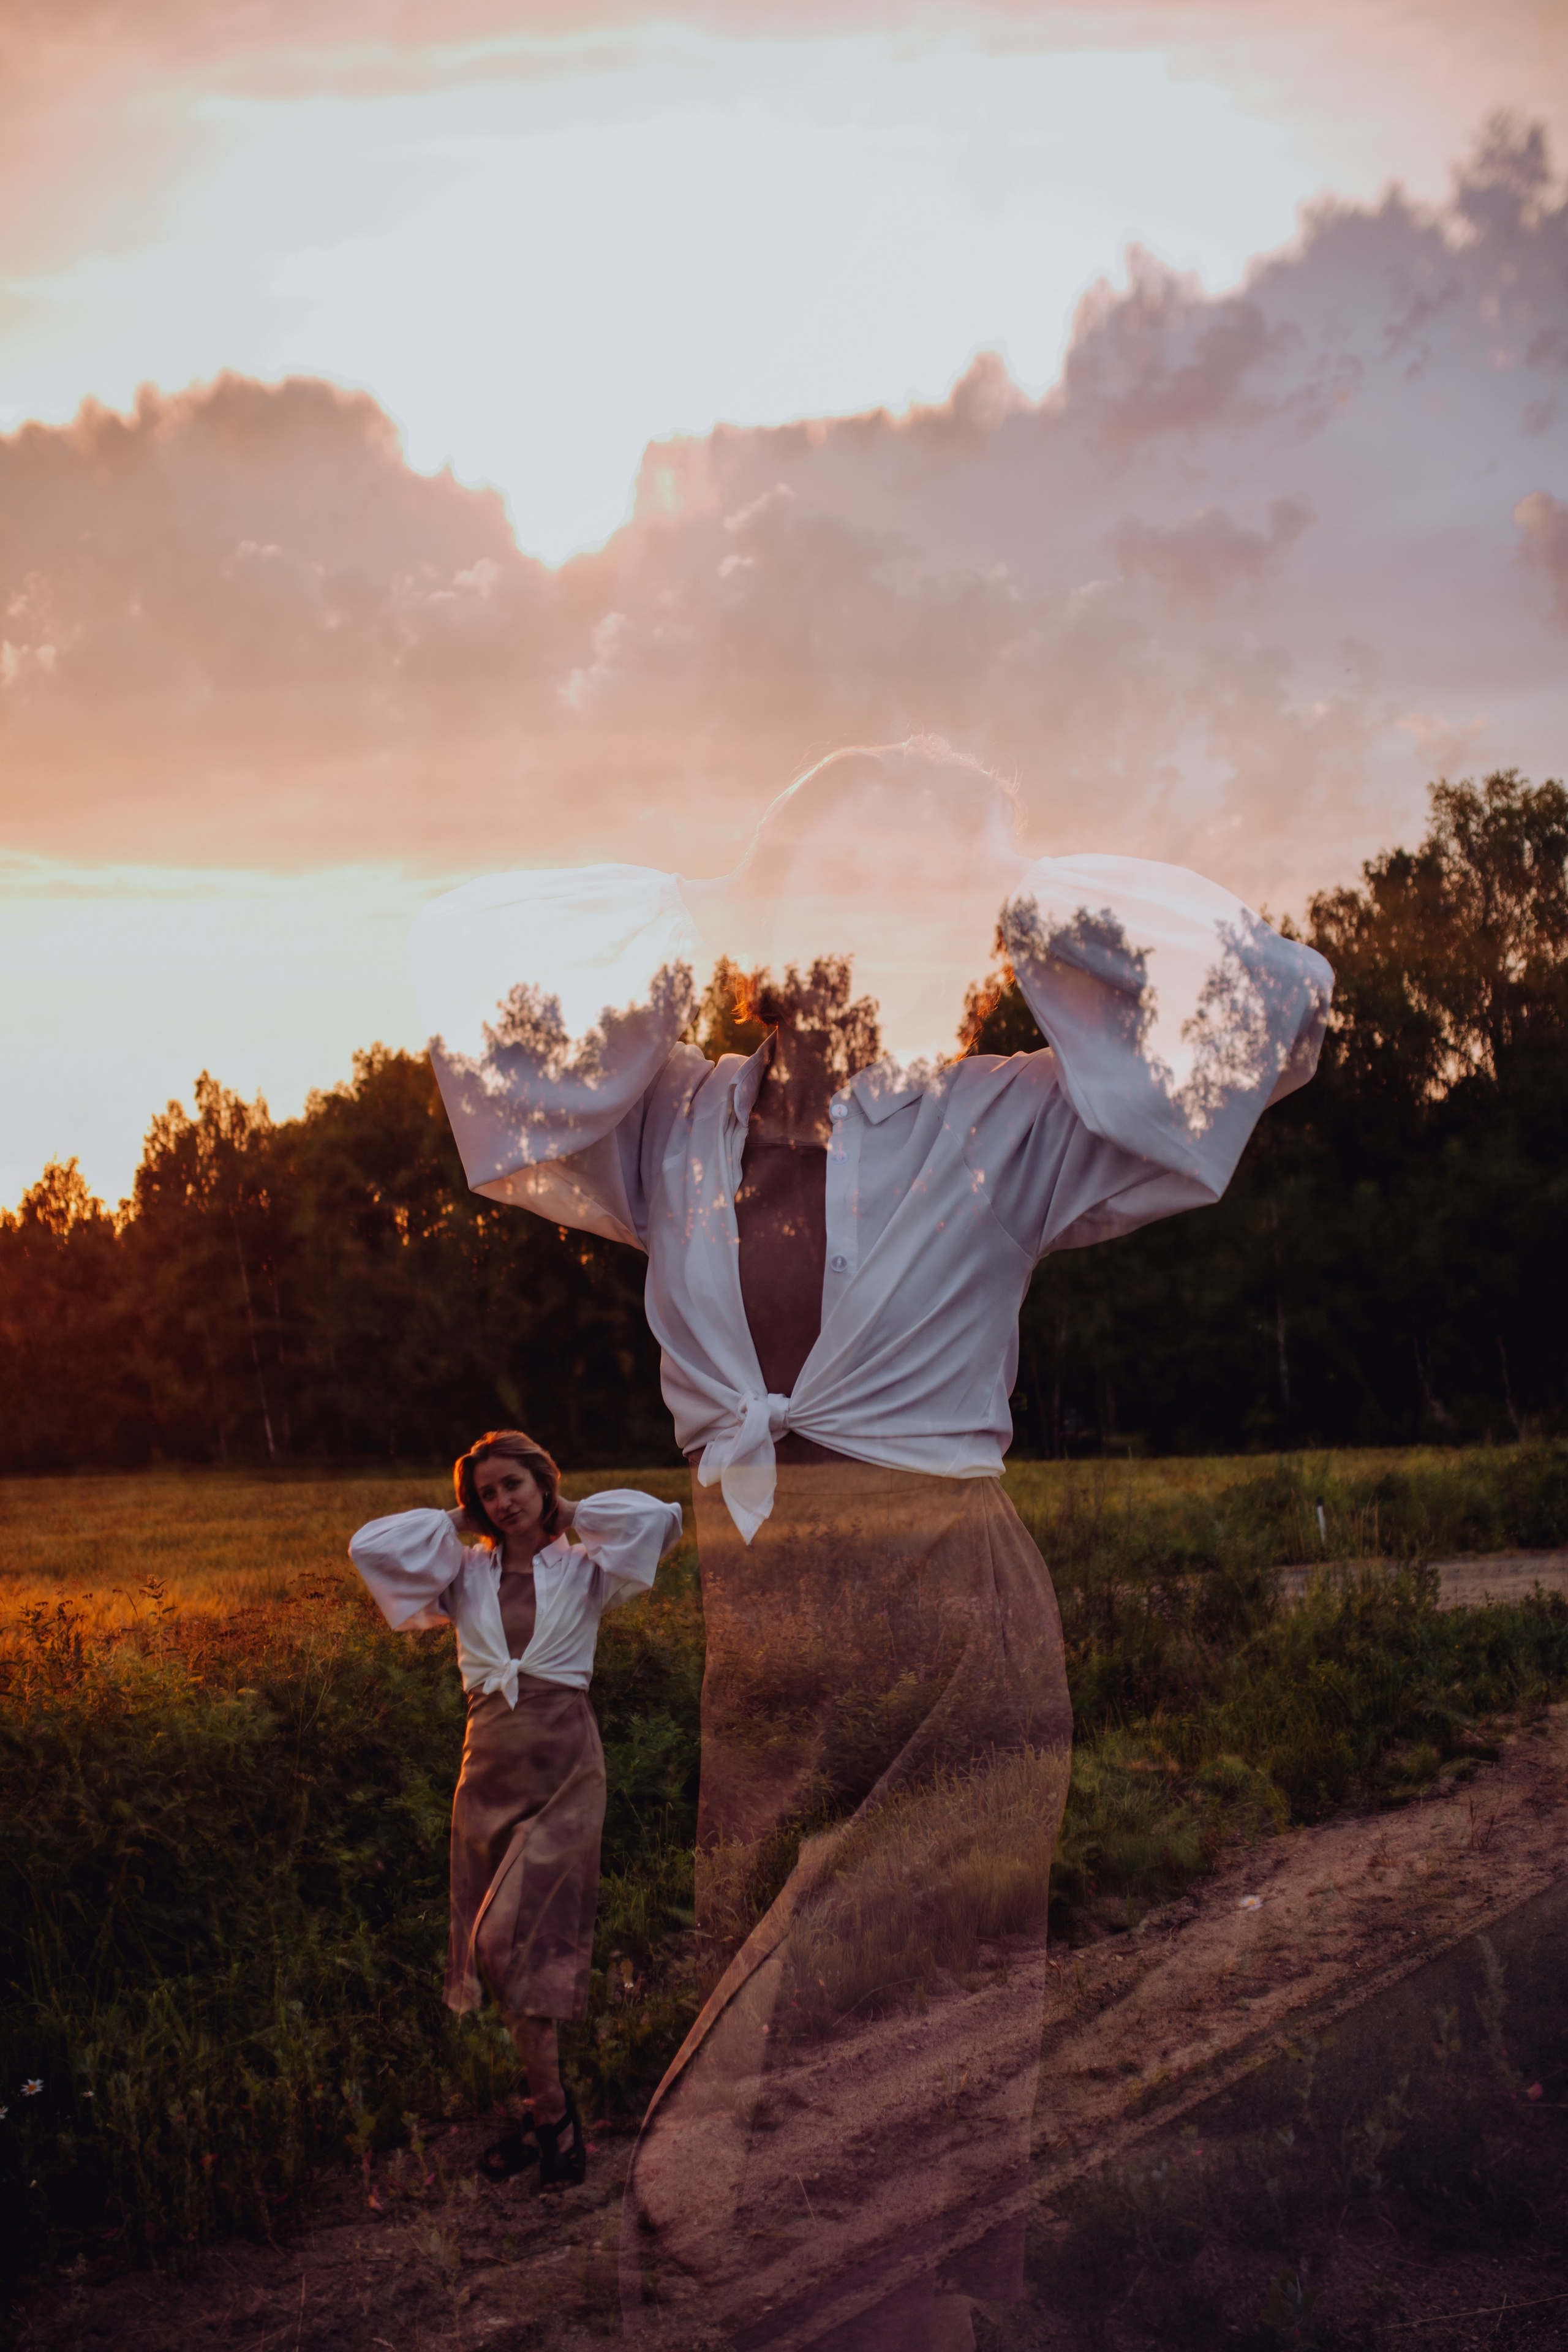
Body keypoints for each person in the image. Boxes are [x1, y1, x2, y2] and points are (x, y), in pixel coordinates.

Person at [409, 742, 1333, 2343]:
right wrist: (707, 898)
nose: (849, 942)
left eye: (897, 906)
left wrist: (1023, 893)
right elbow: (486, 1028)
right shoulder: (669, 1131)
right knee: (780, 2073)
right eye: (826, 898)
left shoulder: (1003, 1125)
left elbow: (1279, 1018)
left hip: (950, 1634)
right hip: (763, 1667)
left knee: (892, 2072)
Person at [349, 1431, 683, 2188]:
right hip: (487, 1772)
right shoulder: (464, 1573)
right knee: (503, 1952)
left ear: (542, 1483)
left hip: (565, 1765)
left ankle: (552, 2112)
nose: (503, 1502)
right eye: (488, 1492)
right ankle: (548, 2120)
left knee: (505, 1942)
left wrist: (566, 1511)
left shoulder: (587, 1568)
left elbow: (659, 1519)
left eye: (514, 1486)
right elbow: (369, 1548)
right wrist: (461, 1521)